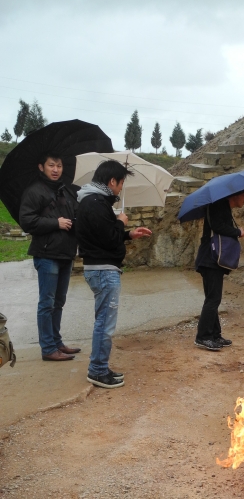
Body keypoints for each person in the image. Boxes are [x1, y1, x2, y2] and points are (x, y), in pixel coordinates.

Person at [75, 160, 151, 389]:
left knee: (104, 322)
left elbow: (103, 236)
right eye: (120, 184)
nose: (120, 189)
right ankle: (97, 370)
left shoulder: (95, 202)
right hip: (103, 270)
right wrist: (120, 222)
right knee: (105, 324)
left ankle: (100, 367)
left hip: (102, 268)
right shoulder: (95, 203)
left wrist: (128, 234)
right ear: (111, 181)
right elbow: (108, 238)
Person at [19, 154, 81, 361]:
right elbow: (27, 221)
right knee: (47, 303)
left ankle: (57, 342)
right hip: (46, 255)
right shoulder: (34, 191)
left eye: (59, 166)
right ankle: (48, 348)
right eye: (51, 165)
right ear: (41, 167)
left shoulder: (66, 191)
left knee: (59, 302)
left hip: (65, 253)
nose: (56, 169)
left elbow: (75, 215)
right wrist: (56, 223)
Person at [194, 191, 244, 351]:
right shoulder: (218, 204)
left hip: (210, 259)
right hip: (210, 258)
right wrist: (238, 232)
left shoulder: (221, 206)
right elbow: (218, 227)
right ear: (236, 195)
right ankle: (203, 337)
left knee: (213, 298)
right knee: (213, 299)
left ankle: (215, 335)